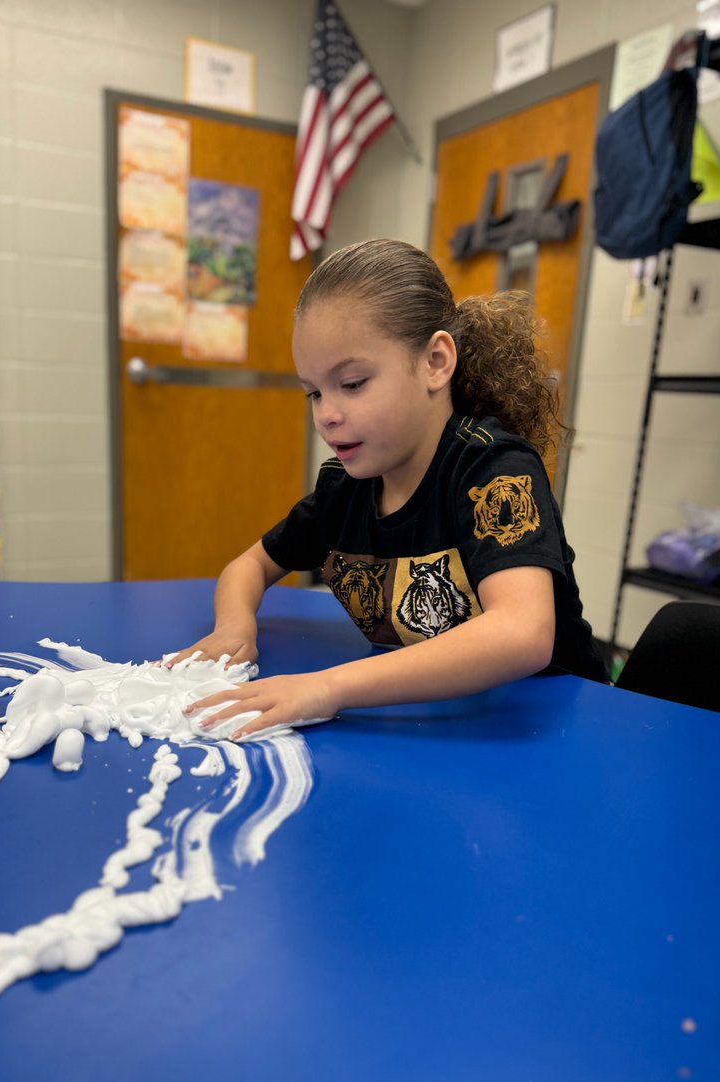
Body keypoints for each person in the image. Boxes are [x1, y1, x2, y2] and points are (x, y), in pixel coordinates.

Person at [172, 239, 608, 739]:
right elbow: (248, 566)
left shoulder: (493, 469)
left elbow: (523, 634)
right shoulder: (346, 489)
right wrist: (233, 628)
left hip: (547, 727)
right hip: (432, 724)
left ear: (436, 362)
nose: (327, 415)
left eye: (352, 383)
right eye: (314, 391)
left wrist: (327, 687)